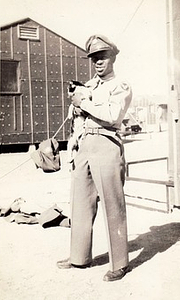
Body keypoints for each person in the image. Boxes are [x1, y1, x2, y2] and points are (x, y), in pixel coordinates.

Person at [57, 34, 132, 282]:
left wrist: (85, 102)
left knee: (113, 205)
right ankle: (79, 257)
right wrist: (75, 111)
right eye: (94, 58)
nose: (98, 62)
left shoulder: (120, 86)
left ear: (113, 58)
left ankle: (120, 263)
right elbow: (76, 117)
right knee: (80, 203)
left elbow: (112, 116)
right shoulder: (87, 86)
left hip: (106, 144)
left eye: (102, 57)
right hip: (85, 146)